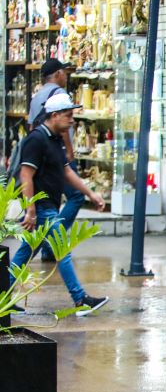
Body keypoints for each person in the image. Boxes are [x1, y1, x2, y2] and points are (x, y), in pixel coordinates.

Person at [11, 93, 109, 316]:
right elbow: (26, 176)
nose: (72, 120)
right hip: (42, 207)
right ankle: (80, 299)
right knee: (62, 250)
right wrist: (31, 209)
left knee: (25, 253)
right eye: (68, 115)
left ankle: (3, 295)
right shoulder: (36, 140)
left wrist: (91, 195)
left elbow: (66, 171)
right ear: (54, 116)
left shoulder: (55, 139)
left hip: (49, 206)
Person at [27, 58, 84, 263]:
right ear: (58, 74)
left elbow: (32, 127)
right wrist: (68, 151)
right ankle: (54, 242)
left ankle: (50, 243)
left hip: (42, 156)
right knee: (76, 196)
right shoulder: (60, 95)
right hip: (56, 154)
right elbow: (64, 127)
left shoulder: (36, 96)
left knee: (52, 203)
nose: (66, 76)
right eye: (64, 72)